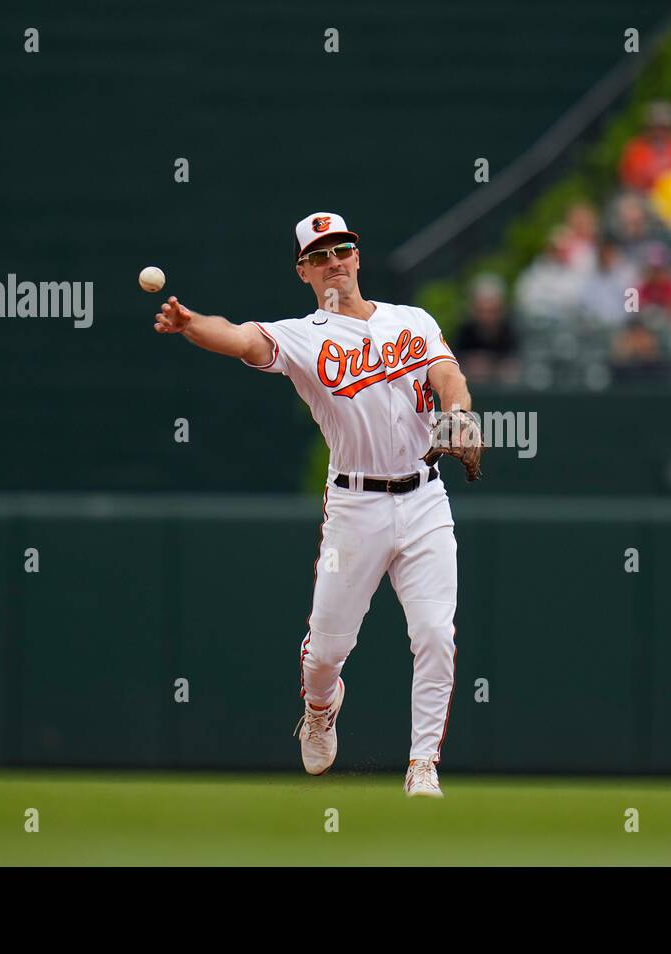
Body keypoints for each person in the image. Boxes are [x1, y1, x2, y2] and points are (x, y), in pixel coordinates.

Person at [152, 212, 480, 798]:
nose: (334, 260)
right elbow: (242, 337)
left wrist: (459, 413)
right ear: (304, 269)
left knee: (434, 633)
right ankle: (321, 707)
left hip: (425, 496)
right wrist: (191, 324)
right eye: (320, 254)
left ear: (357, 255)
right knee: (328, 649)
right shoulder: (305, 335)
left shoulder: (412, 321)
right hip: (355, 509)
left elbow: (447, 372)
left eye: (342, 248)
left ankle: (422, 764)